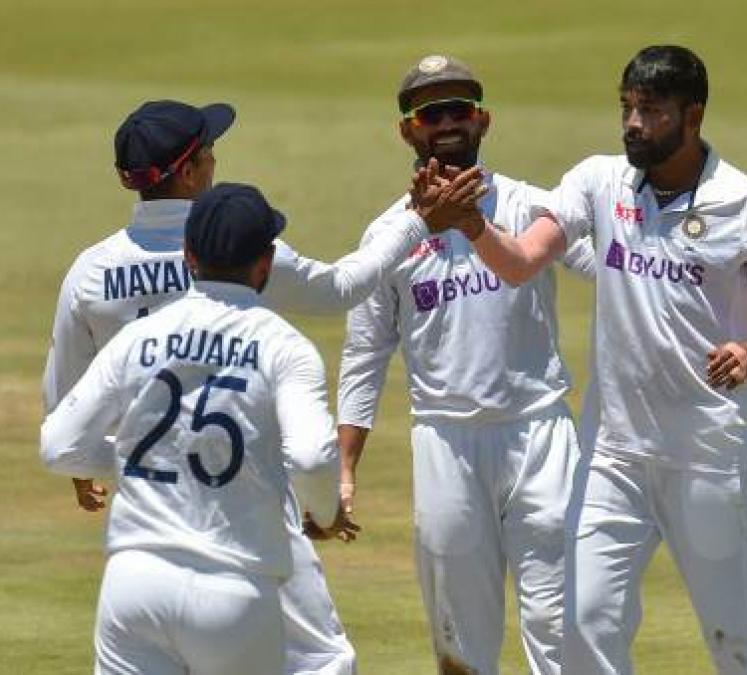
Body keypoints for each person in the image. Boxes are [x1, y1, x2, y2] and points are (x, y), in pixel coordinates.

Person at [422, 45, 747, 674]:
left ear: (693, 116)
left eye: (651, 110)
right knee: (582, 627)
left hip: (707, 457)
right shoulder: (599, 181)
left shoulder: (746, 202)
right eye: (627, 107)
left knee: (734, 640)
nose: (633, 123)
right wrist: (472, 225)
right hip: (613, 458)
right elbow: (522, 262)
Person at [40, 99, 468, 674]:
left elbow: (62, 408)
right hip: (248, 516)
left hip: (144, 535)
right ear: (190, 172)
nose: (216, 158)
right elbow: (345, 286)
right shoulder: (242, 251)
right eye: (209, 151)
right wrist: (416, 218)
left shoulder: (92, 271)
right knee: (324, 660)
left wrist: (108, 463)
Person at [336, 54, 594, 675]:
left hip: (540, 432)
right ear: (408, 129)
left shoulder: (535, 206)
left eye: (459, 109)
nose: (447, 122)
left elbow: (613, 273)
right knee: (459, 635)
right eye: (431, 112)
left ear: (483, 121)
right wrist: (343, 471)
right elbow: (364, 356)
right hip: (445, 442)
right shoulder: (388, 235)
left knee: (563, 626)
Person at [41, 183, 346, 674]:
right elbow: (312, 457)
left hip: (133, 580)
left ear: (188, 255)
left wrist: (150, 460)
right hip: (235, 585)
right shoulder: (286, 346)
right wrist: (327, 512)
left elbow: (58, 446)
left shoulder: (137, 337)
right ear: (266, 262)